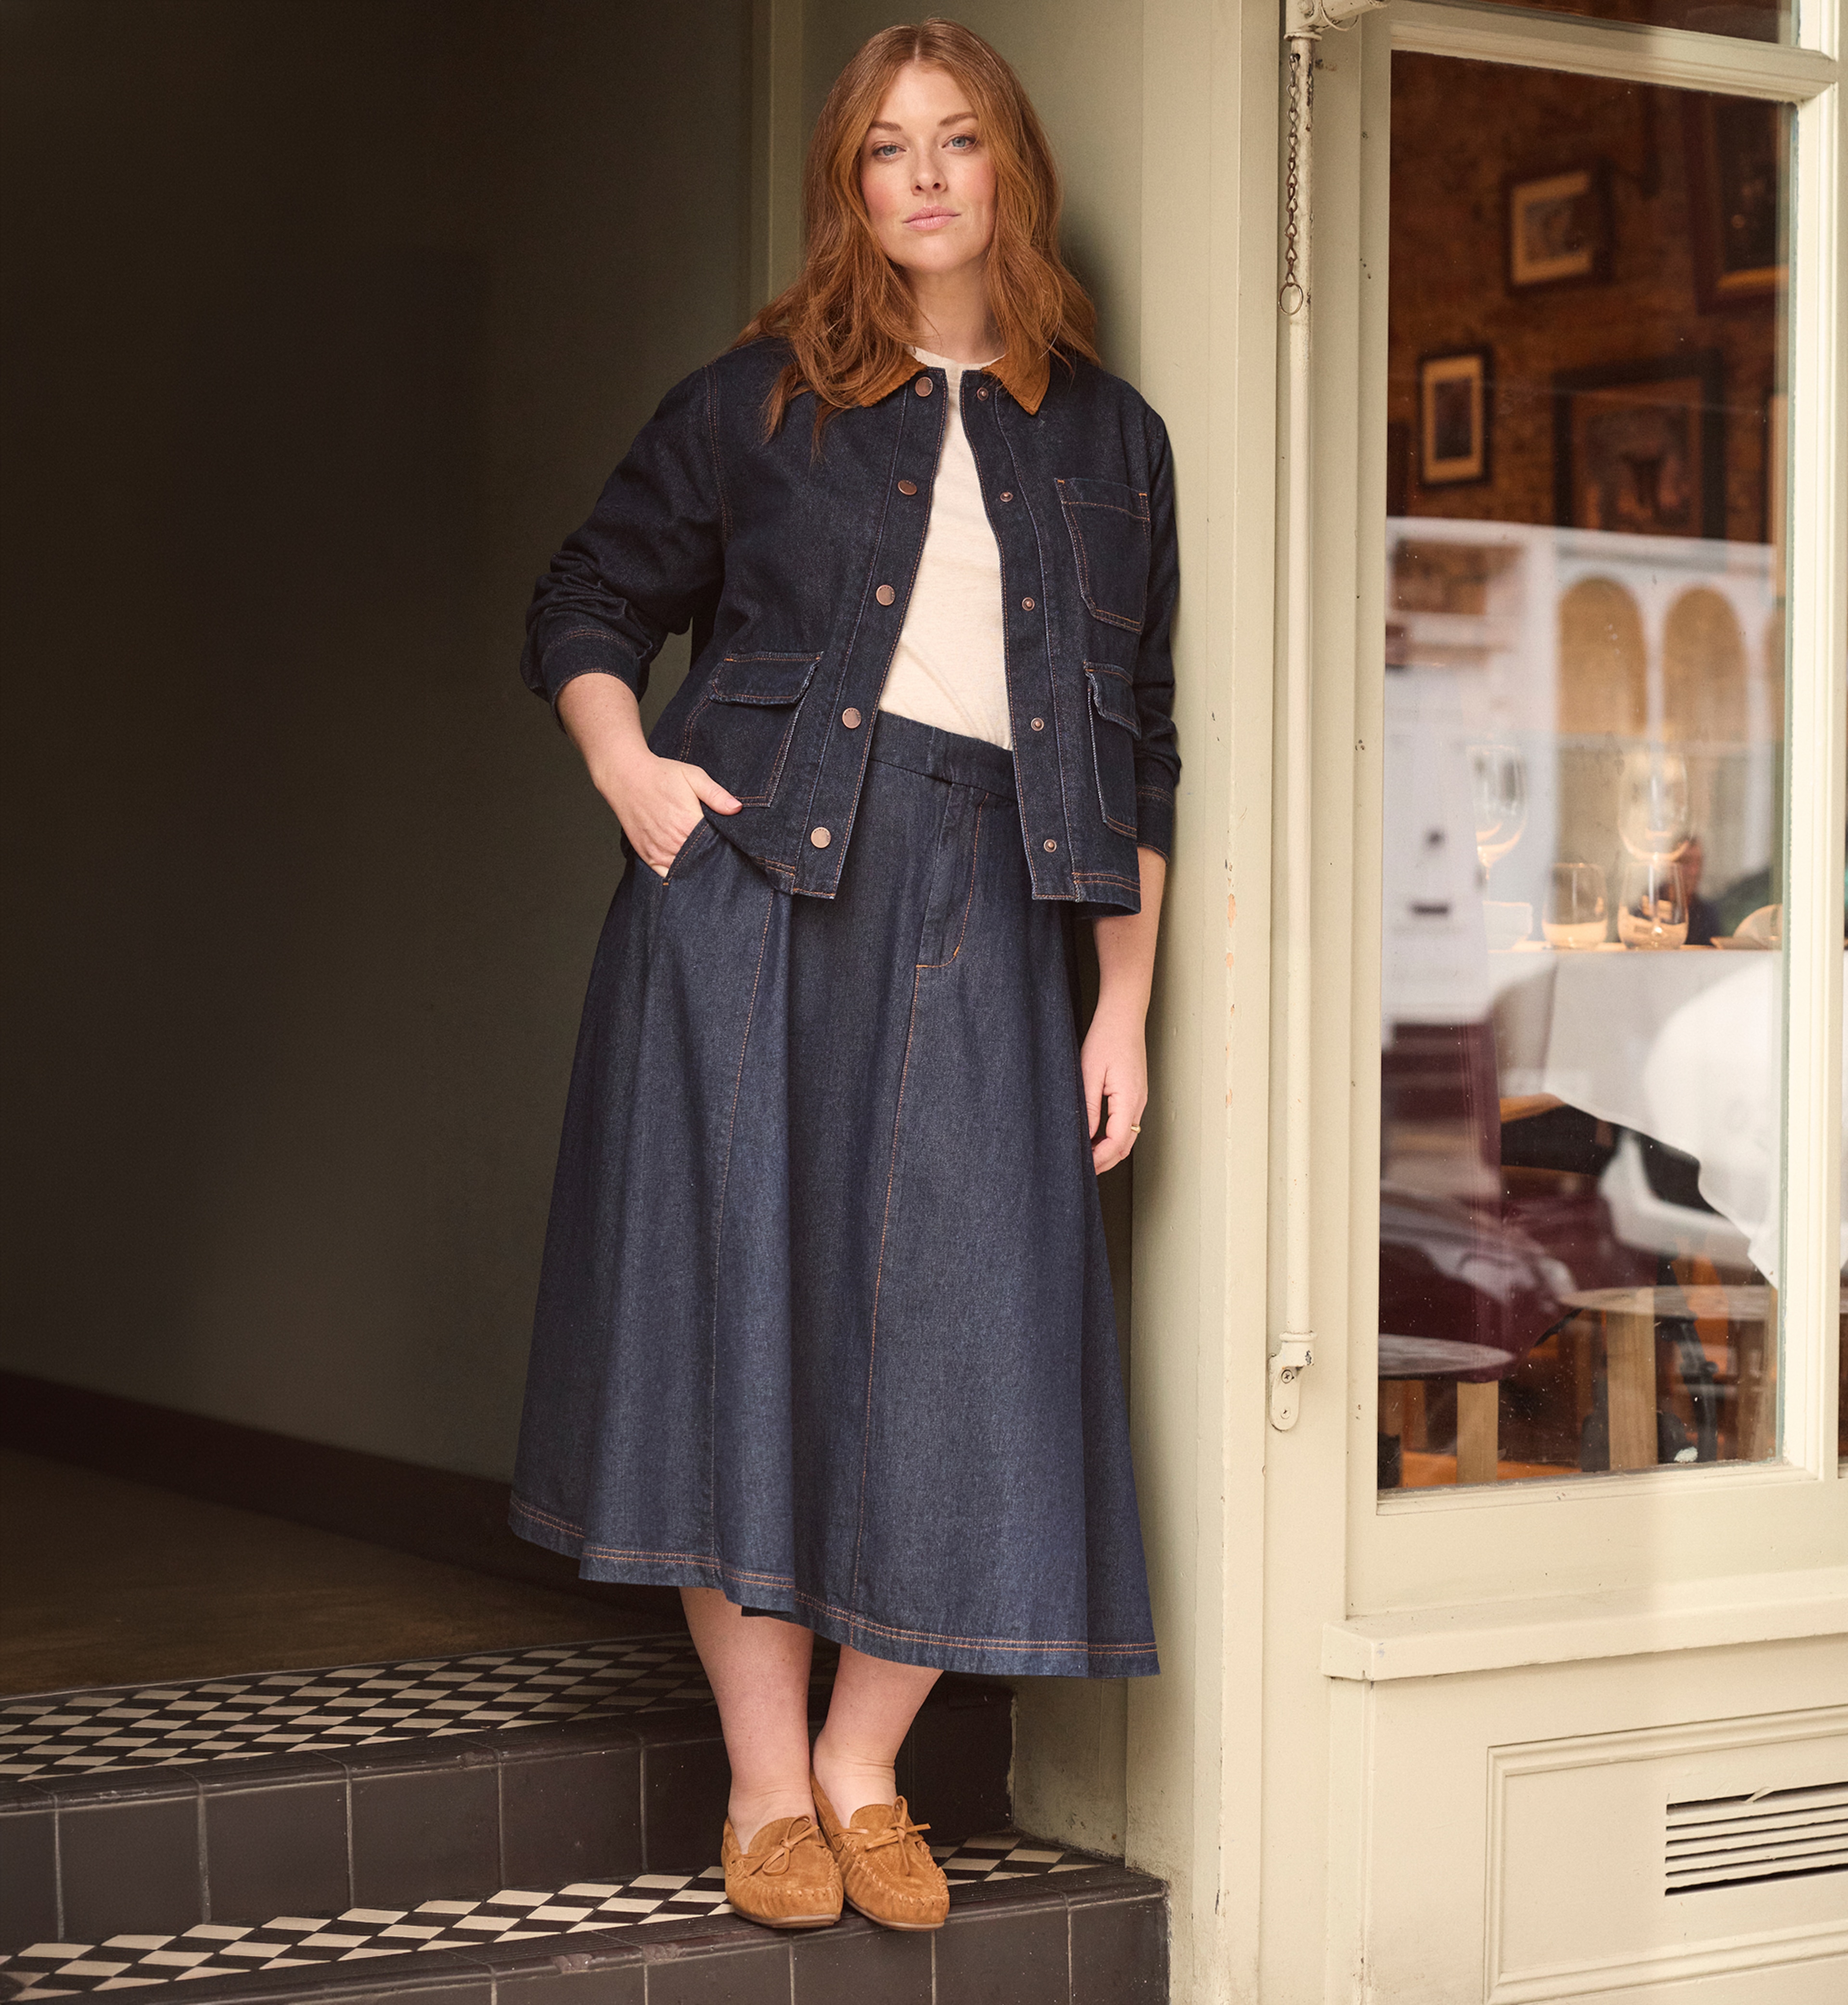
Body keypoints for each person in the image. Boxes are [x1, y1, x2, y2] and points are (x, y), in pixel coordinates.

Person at [506, 19, 1180, 1935]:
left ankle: (868, 1763)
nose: (926, 177)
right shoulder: (758, 401)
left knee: (976, 1336)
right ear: (852, 189)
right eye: (888, 150)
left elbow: (1141, 740)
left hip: (996, 913)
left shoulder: (1115, 441)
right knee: (744, 1328)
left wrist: (1121, 1004)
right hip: (755, 904)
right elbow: (587, 593)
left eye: (958, 142)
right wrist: (628, 764)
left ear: (1010, 171)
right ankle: (763, 1779)